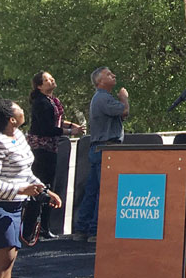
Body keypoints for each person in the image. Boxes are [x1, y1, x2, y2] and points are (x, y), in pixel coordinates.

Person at [0, 98, 60, 278]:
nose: (23, 110)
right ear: (11, 119)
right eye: (19, 109)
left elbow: (24, 172)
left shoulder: (18, 135)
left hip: (13, 206)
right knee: (3, 258)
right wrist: (22, 190)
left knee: (10, 258)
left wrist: (45, 190)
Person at [72, 66, 128, 242]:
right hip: (106, 148)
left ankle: (82, 228)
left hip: (98, 148)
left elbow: (120, 116)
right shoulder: (103, 98)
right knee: (104, 190)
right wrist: (124, 99)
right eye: (108, 74)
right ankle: (96, 230)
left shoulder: (103, 98)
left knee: (93, 189)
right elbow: (124, 111)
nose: (113, 76)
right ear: (99, 81)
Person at [24, 71, 82, 240]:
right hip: (41, 148)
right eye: (47, 80)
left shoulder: (52, 101)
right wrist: (71, 131)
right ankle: (29, 229)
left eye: (51, 78)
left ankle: (44, 227)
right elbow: (48, 128)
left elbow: (56, 120)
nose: (52, 80)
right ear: (39, 86)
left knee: (50, 185)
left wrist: (72, 125)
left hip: (51, 147)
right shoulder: (40, 103)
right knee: (41, 186)